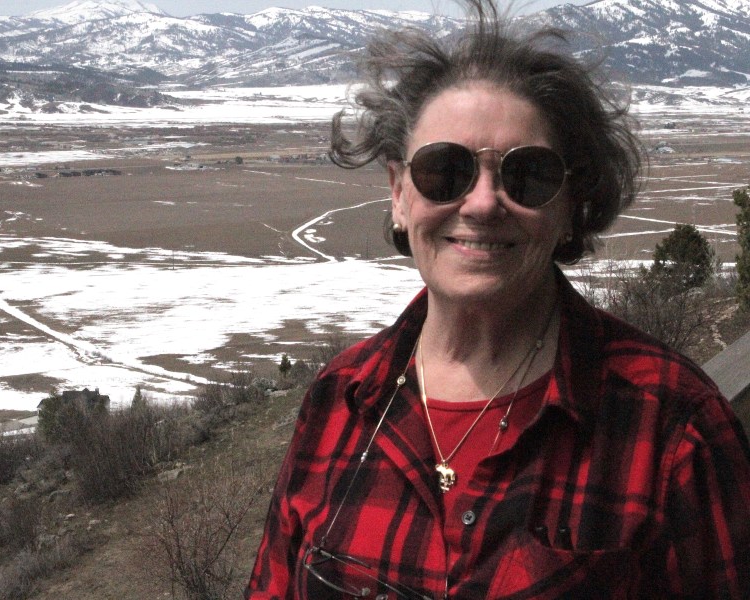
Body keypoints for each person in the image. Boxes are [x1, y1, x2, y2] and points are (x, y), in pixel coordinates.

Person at [246, 1, 750, 597]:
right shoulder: (339, 402)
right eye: (445, 170)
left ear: (571, 207)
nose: (483, 204)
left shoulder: (672, 426)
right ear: (399, 195)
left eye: (527, 175)